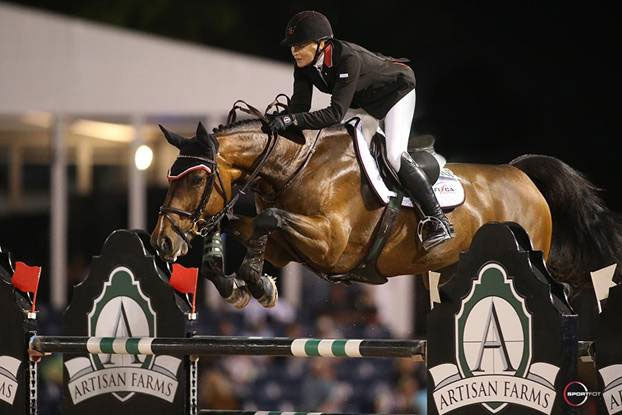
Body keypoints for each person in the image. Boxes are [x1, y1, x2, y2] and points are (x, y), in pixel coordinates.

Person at [268, 10, 454, 250]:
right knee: (345, 153)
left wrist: (290, 121)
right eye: (292, 46)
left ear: (322, 44)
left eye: (300, 45)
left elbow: (334, 113)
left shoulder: (347, 58)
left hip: (396, 92)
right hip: (363, 103)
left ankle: (438, 219)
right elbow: (300, 108)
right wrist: (277, 120)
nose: (294, 50)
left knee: (394, 156)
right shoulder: (303, 65)